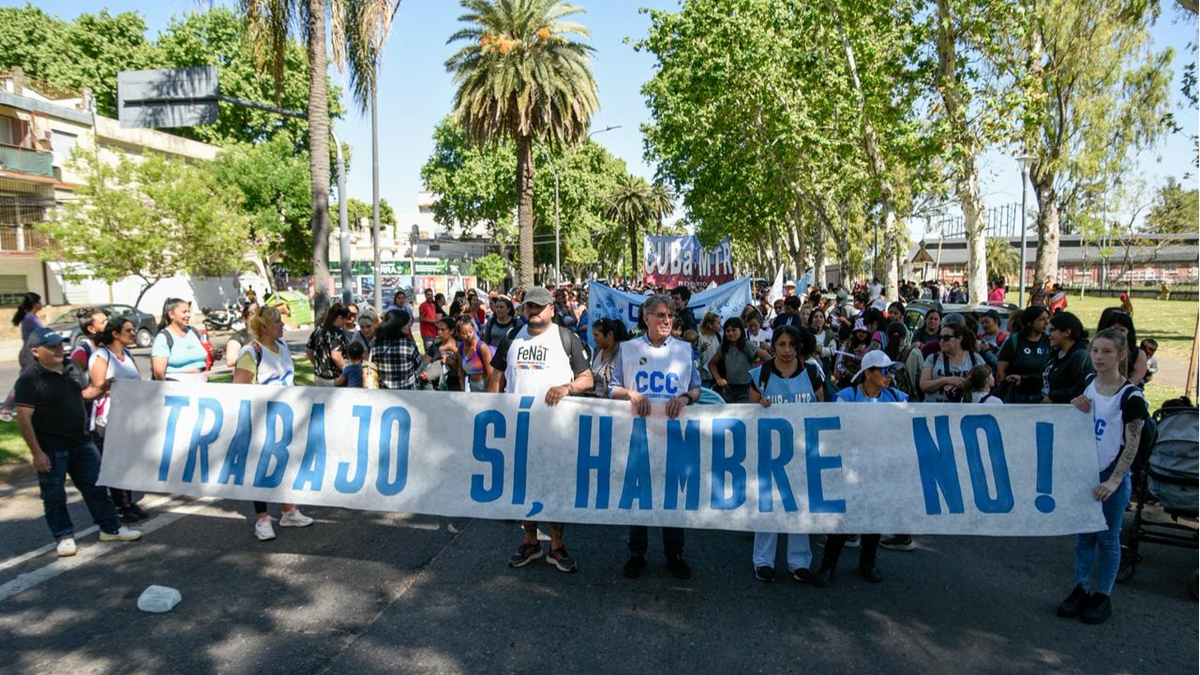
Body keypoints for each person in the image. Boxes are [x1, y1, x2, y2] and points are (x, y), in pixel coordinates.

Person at [488, 286, 593, 573]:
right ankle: (530, 541)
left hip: (555, 431)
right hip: (518, 429)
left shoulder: (566, 337)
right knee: (522, 487)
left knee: (555, 487)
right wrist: (489, 410)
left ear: (551, 310)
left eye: (539, 306)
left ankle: (556, 546)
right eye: (528, 307)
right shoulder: (511, 337)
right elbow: (496, 375)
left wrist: (566, 387)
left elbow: (587, 379)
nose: (533, 311)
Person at [16, 327, 143, 556]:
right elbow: (24, 419)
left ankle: (110, 528)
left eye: (58, 344)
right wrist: (36, 453)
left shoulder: (71, 367)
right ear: (35, 351)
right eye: (52, 347)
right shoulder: (28, 379)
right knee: (54, 496)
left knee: (96, 488)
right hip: (51, 448)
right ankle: (64, 537)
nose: (58, 350)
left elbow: (83, 393)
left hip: (82, 443)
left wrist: (102, 388)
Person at [1058, 328, 1147, 625]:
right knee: (1084, 535)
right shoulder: (1088, 383)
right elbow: (1081, 419)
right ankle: (1081, 587)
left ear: (1121, 355)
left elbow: (1131, 443)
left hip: (1111, 473)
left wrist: (1115, 480)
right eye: (1095, 350)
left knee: (1108, 538)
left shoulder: (1130, 397)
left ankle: (1103, 595)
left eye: (1107, 351)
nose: (1098, 357)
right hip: (1086, 468)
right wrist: (1076, 404)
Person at [609, 294, 701, 581]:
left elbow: (697, 388)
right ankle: (637, 554)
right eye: (660, 315)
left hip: (674, 434)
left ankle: (675, 554)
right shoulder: (628, 349)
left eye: (670, 315)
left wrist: (685, 397)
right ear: (646, 318)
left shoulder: (684, 350)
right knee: (640, 494)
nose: (666, 320)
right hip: (639, 434)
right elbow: (613, 388)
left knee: (672, 495)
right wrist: (632, 393)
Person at [818, 351, 909, 586]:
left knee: (874, 515)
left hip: (881, 467)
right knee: (842, 518)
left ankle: (868, 562)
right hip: (850, 467)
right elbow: (835, 430)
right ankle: (828, 564)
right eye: (884, 371)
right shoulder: (845, 397)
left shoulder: (899, 398)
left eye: (891, 371)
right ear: (868, 373)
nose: (890, 375)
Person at [747, 326, 824, 583]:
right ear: (774, 346)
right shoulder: (761, 375)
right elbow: (750, 411)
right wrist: (759, 405)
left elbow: (822, 411)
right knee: (768, 503)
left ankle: (799, 562)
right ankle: (763, 561)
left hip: (804, 451)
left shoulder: (813, 372)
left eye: (792, 344)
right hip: (771, 451)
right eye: (781, 344)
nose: (787, 350)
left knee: (800, 504)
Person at [232, 306, 314, 540]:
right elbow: (239, 388)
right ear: (265, 327)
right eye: (278, 322)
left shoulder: (283, 347)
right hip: (260, 419)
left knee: (285, 464)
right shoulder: (251, 352)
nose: (283, 326)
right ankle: (262, 519)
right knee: (260, 468)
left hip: (285, 417)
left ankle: (289, 510)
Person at [88, 317, 146, 522]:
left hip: (129, 415)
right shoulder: (102, 356)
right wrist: (119, 390)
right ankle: (119, 505)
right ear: (115, 333)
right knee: (115, 461)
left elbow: (136, 382)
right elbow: (98, 388)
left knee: (128, 460)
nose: (133, 333)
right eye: (128, 330)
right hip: (108, 417)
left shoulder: (127, 354)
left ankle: (128, 502)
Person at [2, 292, 46, 421]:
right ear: (35, 304)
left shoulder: (32, 317)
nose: (41, 303)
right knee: (25, 381)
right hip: (29, 352)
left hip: (32, 351)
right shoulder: (30, 318)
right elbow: (39, 334)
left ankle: (13, 407)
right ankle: (6, 409)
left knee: (33, 379)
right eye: (39, 301)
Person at [708, 317, 771, 403]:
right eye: (728, 330)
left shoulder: (747, 345)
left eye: (734, 330)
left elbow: (769, 359)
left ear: (741, 330)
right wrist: (718, 378)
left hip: (747, 389)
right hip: (729, 389)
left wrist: (763, 378)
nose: (731, 333)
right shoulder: (723, 347)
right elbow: (711, 364)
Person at [997, 306, 1052, 403]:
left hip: (1042, 396)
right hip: (1017, 397)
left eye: (1047, 318)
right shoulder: (1014, 341)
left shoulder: (1049, 341)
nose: (1046, 322)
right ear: (1029, 323)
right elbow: (1001, 370)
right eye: (1041, 319)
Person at [920, 323, 984, 403]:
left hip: (964, 410)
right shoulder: (932, 358)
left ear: (959, 339)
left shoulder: (975, 358)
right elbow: (923, 386)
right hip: (934, 410)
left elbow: (987, 382)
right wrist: (947, 380)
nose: (941, 341)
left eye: (946, 338)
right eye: (940, 338)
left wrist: (964, 383)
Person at [150, 298, 209, 383]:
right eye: (184, 312)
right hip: (177, 386)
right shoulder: (163, 338)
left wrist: (213, 355)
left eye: (189, 311)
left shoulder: (193, 332)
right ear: (171, 314)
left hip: (201, 381)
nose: (188, 315)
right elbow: (159, 373)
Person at [1043, 312, 1091, 404]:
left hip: (1066, 413)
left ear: (1067, 332)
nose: (1048, 334)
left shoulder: (1079, 356)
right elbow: (1047, 376)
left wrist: (1053, 397)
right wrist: (1024, 379)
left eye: (1052, 330)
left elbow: (1082, 387)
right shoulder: (1055, 353)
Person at [371, 310, 423, 391]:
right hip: (408, 392)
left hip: (385, 392)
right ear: (398, 325)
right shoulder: (408, 344)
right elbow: (418, 364)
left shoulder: (375, 343)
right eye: (406, 323)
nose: (409, 325)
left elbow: (373, 365)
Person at [1096, 309, 1148, 386]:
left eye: (1122, 330)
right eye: (1114, 329)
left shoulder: (1139, 354)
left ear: (1128, 333)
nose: (1118, 333)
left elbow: (1135, 380)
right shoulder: (1096, 350)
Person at [305, 303, 351, 386]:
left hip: (319, 376)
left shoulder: (318, 330)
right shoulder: (336, 333)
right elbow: (336, 356)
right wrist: (347, 371)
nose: (346, 322)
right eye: (346, 319)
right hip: (335, 378)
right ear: (339, 318)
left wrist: (318, 365)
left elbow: (309, 351)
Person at [590, 318, 628, 397]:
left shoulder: (623, 351)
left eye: (596, 335)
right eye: (593, 335)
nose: (594, 339)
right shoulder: (597, 351)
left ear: (610, 334)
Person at [455, 315, 493, 392]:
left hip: (485, 384)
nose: (468, 335)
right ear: (459, 334)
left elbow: (490, 372)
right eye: (464, 332)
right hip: (471, 385)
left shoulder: (482, 347)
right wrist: (463, 388)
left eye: (470, 331)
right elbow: (460, 372)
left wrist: (486, 389)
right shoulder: (461, 348)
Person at [224, 303, 260, 368]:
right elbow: (230, 361)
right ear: (245, 319)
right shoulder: (238, 337)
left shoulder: (268, 334)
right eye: (252, 314)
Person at [697, 312, 722, 390]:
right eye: (718, 323)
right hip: (703, 377)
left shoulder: (718, 336)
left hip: (715, 376)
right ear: (710, 325)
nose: (720, 325)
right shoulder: (700, 336)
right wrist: (700, 350)